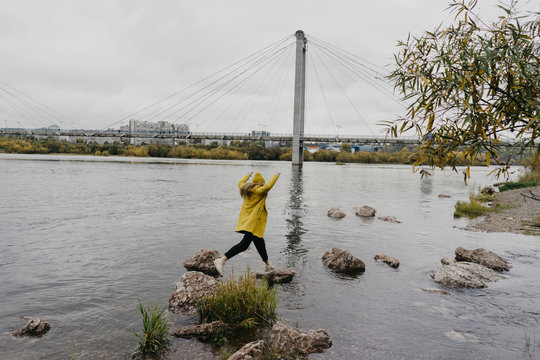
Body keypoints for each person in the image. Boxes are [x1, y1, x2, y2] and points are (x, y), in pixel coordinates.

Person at [214, 171, 280, 277]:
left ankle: (268, 265)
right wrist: (276, 175)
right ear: (261, 184)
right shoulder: (259, 191)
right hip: (253, 223)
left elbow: (240, 182)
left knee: (259, 242)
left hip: (250, 222)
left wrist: (248, 175)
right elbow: (268, 187)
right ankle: (221, 260)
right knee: (244, 245)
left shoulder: (246, 190)